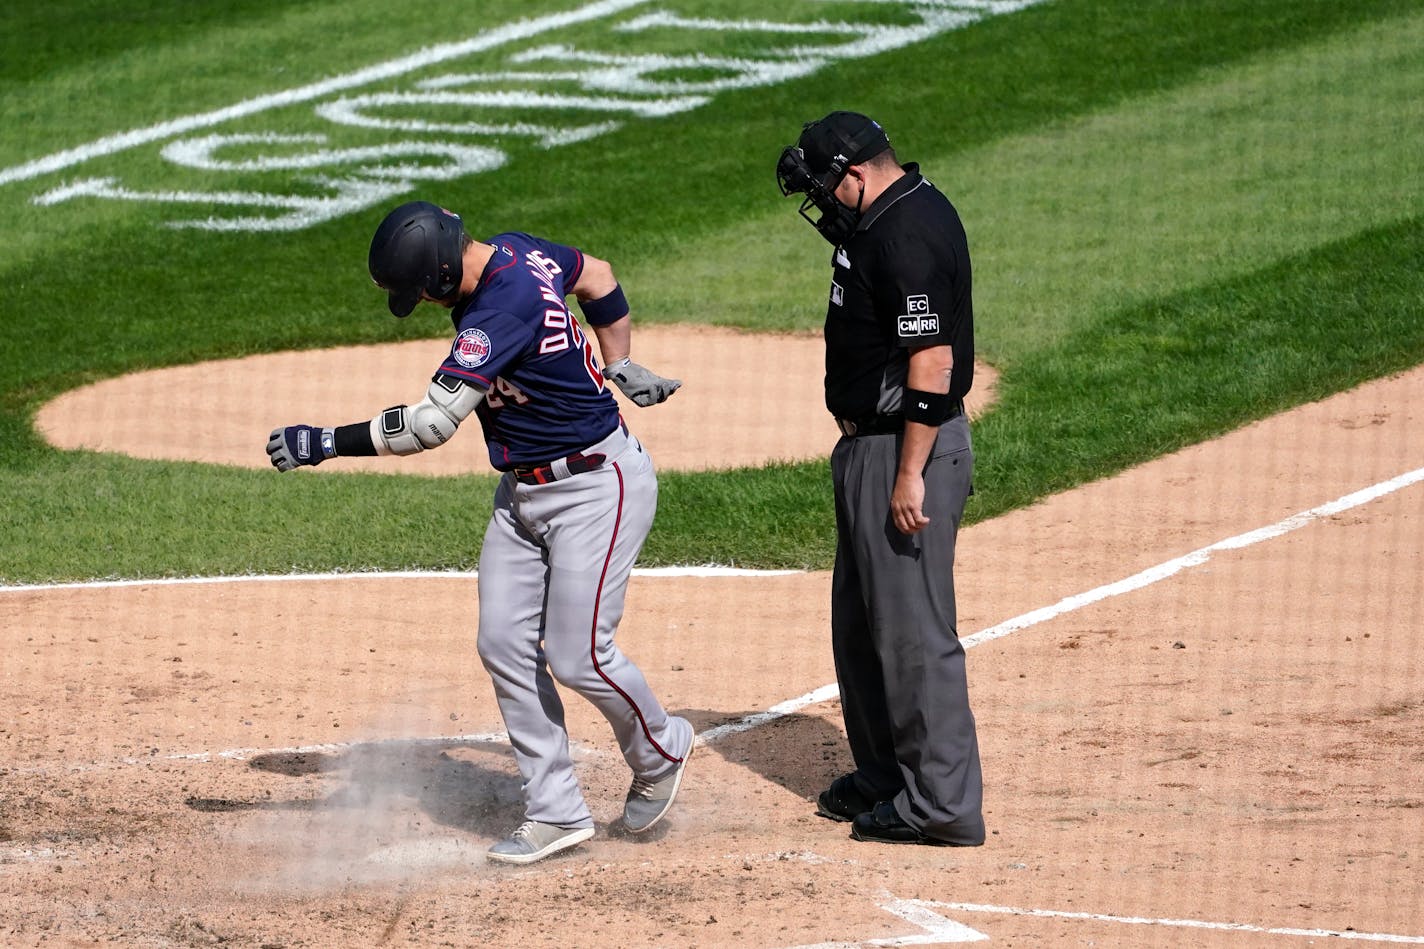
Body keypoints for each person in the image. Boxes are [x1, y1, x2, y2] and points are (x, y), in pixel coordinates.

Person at [265, 200, 694, 865]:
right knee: (503, 641)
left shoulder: (501, 308)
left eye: (422, 293)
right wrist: (619, 360)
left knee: (579, 653)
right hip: (521, 492)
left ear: (438, 276)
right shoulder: (519, 249)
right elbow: (598, 276)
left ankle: (662, 748)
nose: (428, 304)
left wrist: (325, 441)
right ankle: (556, 810)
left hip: (594, 488)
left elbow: (430, 425)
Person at [776, 112, 985, 847]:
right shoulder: (884, 217)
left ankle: (941, 804)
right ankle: (886, 776)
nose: (825, 202)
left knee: (913, 636)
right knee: (862, 625)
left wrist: (909, 475)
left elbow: (933, 364)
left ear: (856, 173)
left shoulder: (907, 235)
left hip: (906, 447)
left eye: (828, 186)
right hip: (870, 447)